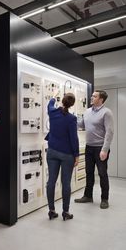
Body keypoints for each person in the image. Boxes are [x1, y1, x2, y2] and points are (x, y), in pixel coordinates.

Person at [74, 90, 114, 209]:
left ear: (101, 99)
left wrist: (105, 149)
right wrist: (69, 117)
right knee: (89, 172)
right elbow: (81, 125)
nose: (91, 97)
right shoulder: (87, 112)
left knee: (102, 174)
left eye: (94, 96)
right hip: (89, 147)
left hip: (100, 148)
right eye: (92, 96)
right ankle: (88, 196)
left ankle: (104, 199)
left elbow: (110, 132)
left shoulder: (106, 113)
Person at [45, 92, 79, 221]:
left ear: (63, 101)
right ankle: (66, 212)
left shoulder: (52, 113)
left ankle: (51, 211)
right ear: (72, 105)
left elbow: (50, 104)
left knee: (51, 181)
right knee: (66, 183)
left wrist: (53, 95)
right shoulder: (71, 119)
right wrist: (76, 155)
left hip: (52, 151)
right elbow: (73, 139)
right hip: (67, 155)